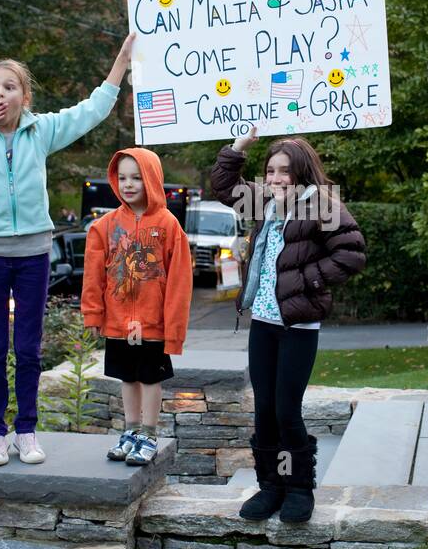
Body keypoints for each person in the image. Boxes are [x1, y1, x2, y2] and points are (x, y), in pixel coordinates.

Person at [0, 33, 135, 467]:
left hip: (33, 254)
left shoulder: (41, 130)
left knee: (28, 348)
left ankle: (26, 432)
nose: (0, 93)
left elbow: (92, 110)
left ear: (23, 96)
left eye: (9, 86)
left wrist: (121, 63)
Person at [211, 127, 366, 523]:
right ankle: (270, 487)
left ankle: (298, 489)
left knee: (286, 409)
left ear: (302, 173)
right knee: (263, 409)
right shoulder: (263, 202)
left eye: (286, 171)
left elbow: (351, 253)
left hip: (297, 326)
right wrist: (238, 148)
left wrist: (307, 280)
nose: (277, 179)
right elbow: (225, 186)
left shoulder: (322, 205)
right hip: (262, 323)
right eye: (271, 171)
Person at [82, 148, 193, 466]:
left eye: (137, 177)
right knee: (127, 378)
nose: (128, 184)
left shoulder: (169, 225)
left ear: (153, 179)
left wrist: (173, 330)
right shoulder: (104, 226)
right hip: (118, 324)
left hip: (153, 325)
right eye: (123, 177)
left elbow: (180, 283)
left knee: (149, 379)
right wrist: (93, 313)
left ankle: (148, 434)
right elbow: (93, 276)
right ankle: (129, 432)